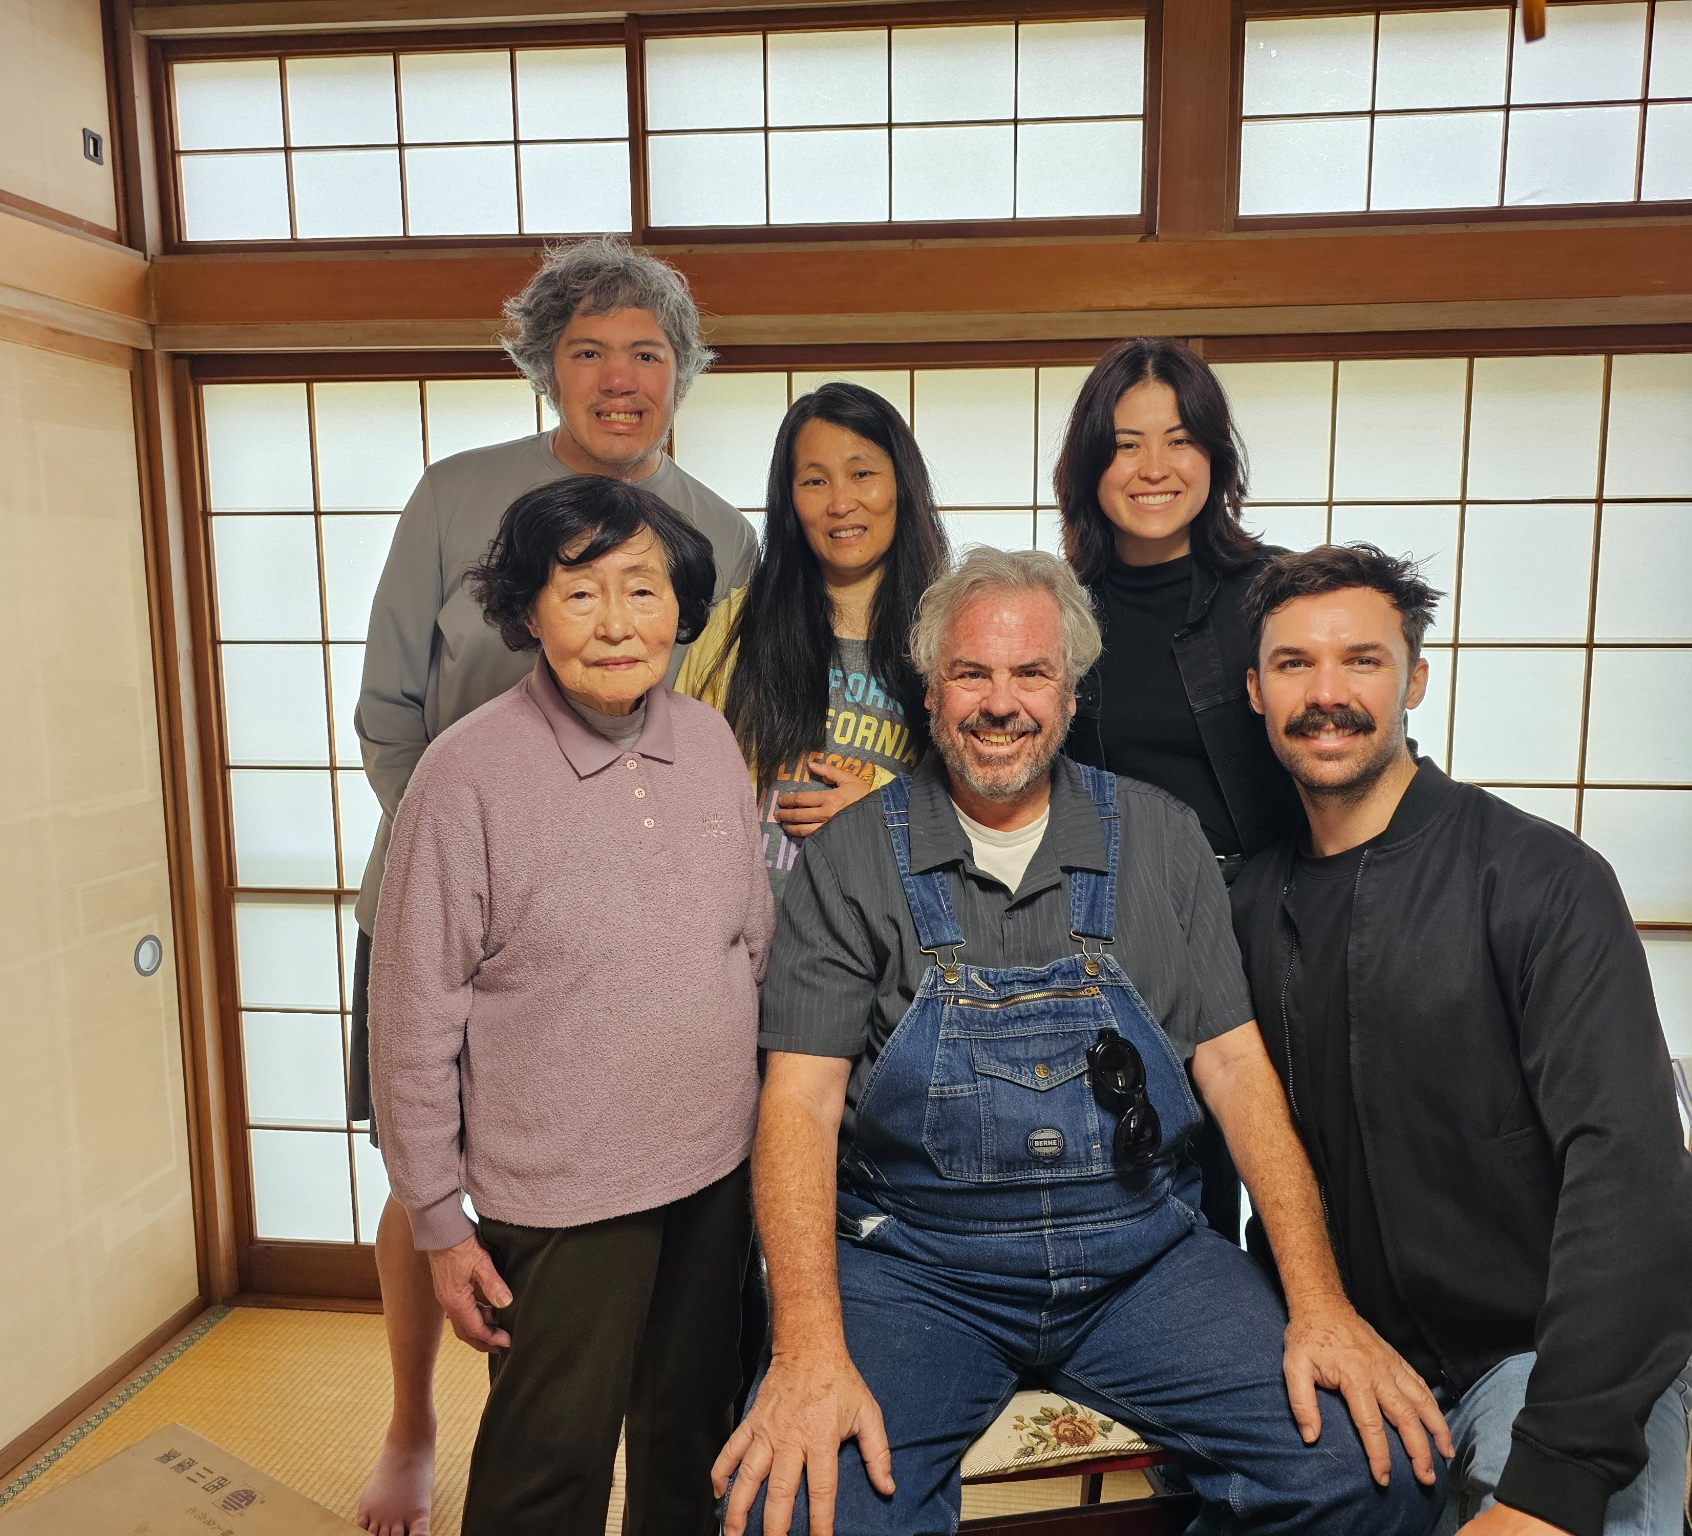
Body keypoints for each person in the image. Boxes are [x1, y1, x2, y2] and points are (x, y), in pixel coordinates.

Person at [713, 548, 1449, 1536]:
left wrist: (1318, 1304)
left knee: (1369, 1469)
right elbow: (797, 1105)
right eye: (971, 673)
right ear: (929, 692)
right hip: (918, 1266)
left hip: (1141, 1256)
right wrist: (806, 1349)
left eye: (1031, 674)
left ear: (1069, 692)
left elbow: (1232, 1070)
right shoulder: (848, 857)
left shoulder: (1160, 837)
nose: (998, 703)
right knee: (803, 1510)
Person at [351, 235, 758, 1536]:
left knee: (690, 1420)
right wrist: (475, 847)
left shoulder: (719, 552)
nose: (621, 373)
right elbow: (392, 717)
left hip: (690, 1116)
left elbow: (736, 895)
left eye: (648, 349)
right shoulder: (459, 499)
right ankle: (410, 1420)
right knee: (546, 1417)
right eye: (589, 348)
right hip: (501, 953)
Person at [1230, 543, 1692, 1536]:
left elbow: (1631, 1176)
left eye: (1360, 660)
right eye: (1292, 665)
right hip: (1348, 1360)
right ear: (1253, 690)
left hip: (1546, 1361)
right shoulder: (1243, 904)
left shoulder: (1539, 881)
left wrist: (1554, 1479)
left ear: (1415, 677)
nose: (1327, 694)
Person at [1054, 335, 1304, 1244]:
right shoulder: (1065, 607)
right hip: (1125, 926)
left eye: (1180, 439)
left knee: (1287, 1170)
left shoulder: (1275, 593)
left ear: (1215, 456)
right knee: (1160, 1178)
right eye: (1125, 443)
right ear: (1090, 463)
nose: (1153, 468)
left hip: (1271, 918)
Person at [679, 382, 950, 899]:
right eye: (814, 481)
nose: (841, 503)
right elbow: (676, 776)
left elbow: (995, 803)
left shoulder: (950, 630)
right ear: (790, 499)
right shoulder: (737, 624)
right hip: (747, 942)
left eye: (862, 473)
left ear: (902, 484)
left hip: (887, 943)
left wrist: (886, 809)